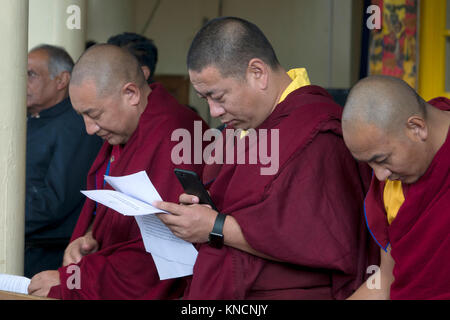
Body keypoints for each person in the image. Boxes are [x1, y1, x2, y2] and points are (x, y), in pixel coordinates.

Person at [154, 17, 379, 299]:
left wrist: (214, 226)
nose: (214, 111)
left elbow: (317, 238)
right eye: (205, 99)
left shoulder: (319, 133)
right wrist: (201, 208)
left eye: (218, 96)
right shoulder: (240, 128)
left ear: (257, 73)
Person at [27, 44, 208, 299]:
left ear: (131, 93)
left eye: (94, 114)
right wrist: (89, 236)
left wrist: (71, 281)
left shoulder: (177, 135)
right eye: (82, 116)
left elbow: (162, 254)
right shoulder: (125, 134)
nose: (89, 129)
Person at [342, 75, 450, 300]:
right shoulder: (392, 186)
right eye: (369, 164)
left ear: (416, 127)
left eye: (382, 159)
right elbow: (385, 280)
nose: (380, 175)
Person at [25, 44, 102, 278]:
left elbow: (55, 201)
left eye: (31, 74)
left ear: (61, 80)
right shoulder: (31, 118)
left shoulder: (74, 126)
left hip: (46, 253)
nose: (23, 82)